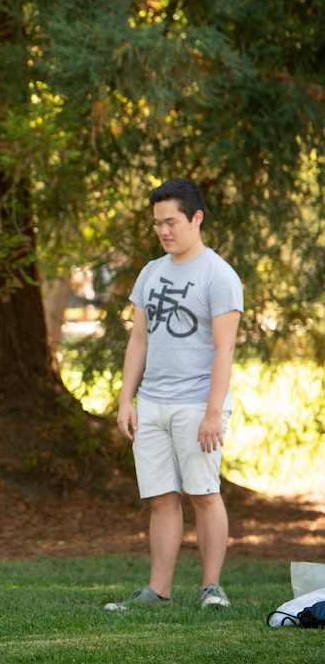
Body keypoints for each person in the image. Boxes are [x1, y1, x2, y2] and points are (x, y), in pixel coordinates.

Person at [108, 177, 243, 611]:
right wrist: (126, 399)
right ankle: (158, 592)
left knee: (204, 493)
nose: (164, 231)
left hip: (196, 404)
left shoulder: (219, 275)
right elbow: (138, 341)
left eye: (171, 222)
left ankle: (211, 589)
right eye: (157, 224)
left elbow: (225, 350)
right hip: (152, 403)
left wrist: (212, 411)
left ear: (196, 218)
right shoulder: (150, 272)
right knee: (160, 497)